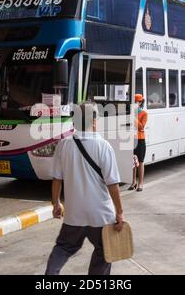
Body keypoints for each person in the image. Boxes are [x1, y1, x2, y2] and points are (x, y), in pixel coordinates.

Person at [45, 103, 124, 275]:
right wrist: (119, 212)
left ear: (74, 121)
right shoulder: (104, 146)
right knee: (104, 250)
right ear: (94, 121)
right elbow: (112, 184)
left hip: (74, 216)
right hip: (101, 216)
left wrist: (56, 203)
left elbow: (57, 179)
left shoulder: (63, 145)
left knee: (63, 247)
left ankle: (51, 274)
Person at [129, 94, 148, 192]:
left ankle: (140, 183)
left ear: (140, 102)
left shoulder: (144, 113)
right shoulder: (130, 113)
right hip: (131, 139)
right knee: (132, 161)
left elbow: (141, 127)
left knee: (140, 161)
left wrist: (134, 118)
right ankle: (133, 182)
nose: (134, 104)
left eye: (136, 101)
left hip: (140, 139)